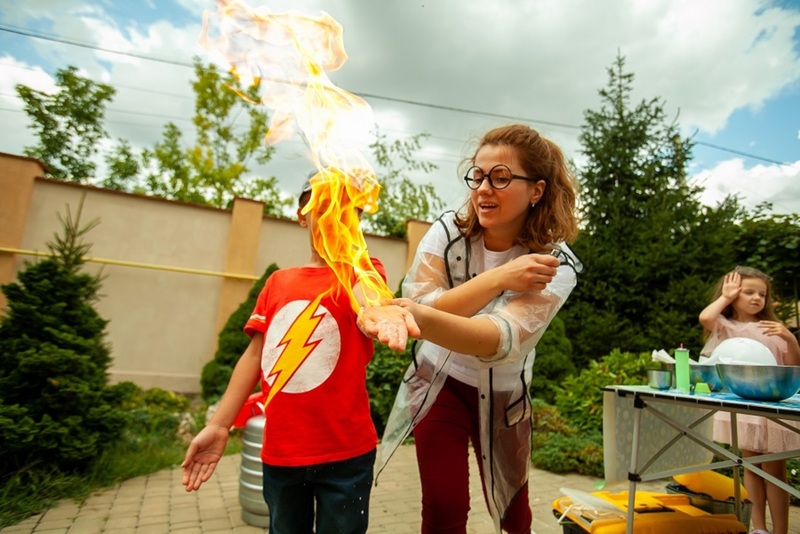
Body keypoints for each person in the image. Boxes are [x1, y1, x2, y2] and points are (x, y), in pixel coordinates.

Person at [366, 124, 581, 534]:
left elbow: (497, 340)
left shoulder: (555, 263)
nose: (483, 188)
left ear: (536, 190)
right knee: (444, 507)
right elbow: (421, 301)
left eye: (500, 178)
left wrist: (418, 314)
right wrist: (499, 279)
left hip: (504, 396)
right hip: (439, 382)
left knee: (513, 515)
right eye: (478, 176)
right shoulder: (449, 232)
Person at [181, 171, 418, 534]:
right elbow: (253, 357)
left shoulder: (363, 271)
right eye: (323, 204)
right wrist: (218, 425)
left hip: (346, 454)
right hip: (282, 454)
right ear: (302, 214)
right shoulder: (278, 283)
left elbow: (367, 298)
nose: (334, 216)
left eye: (347, 209)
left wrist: (376, 310)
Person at [699, 266, 800, 534]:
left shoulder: (772, 329)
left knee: (775, 472)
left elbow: (792, 368)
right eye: (749, 292)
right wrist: (726, 295)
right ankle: (758, 528)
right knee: (751, 468)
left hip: (772, 409)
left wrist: (790, 338)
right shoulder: (726, 327)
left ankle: (780, 530)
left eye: (762, 294)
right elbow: (706, 316)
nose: (757, 298)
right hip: (745, 409)